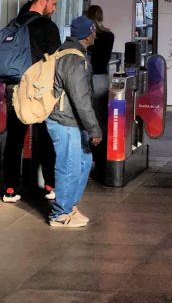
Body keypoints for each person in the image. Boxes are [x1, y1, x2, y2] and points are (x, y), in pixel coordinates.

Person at [1, 0, 61, 204]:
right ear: (43, 0)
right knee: (46, 137)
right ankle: (49, 185)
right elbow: (55, 61)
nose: (54, 8)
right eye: (53, 3)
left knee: (14, 139)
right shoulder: (47, 26)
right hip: (38, 91)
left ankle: (10, 188)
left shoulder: (13, 24)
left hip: (13, 88)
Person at [47, 15, 103, 228]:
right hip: (65, 121)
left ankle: (69, 206)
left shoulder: (73, 53)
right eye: (94, 31)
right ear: (89, 33)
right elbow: (80, 99)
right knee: (68, 166)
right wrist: (94, 129)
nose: (96, 34)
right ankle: (59, 214)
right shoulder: (74, 59)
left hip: (71, 120)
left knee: (84, 162)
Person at [85, 4, 115, 170]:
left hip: (86, 78)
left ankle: (88, 152)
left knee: (86, 115)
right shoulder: (109, 35)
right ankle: (101, 154)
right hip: (102, 78)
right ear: (101, 16)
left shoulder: (86, 35)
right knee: (101, 117)